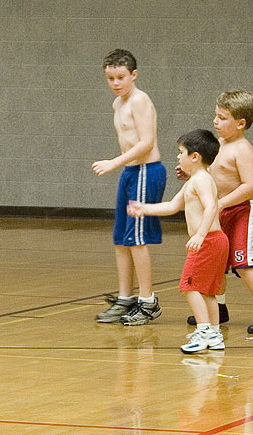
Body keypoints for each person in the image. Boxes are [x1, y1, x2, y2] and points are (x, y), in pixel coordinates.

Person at [180, 91, 253, 334]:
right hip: (221, 208)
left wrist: (223, 203)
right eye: (215, 116)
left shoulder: (243, 149)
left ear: (240, 123)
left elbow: (250, 186)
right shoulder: (220, 145)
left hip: (243, 210)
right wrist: (188, 173)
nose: (215, 122)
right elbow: (210, 174)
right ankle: (220, 306)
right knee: (218, 261)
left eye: (222, 118)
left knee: (243, 261)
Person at [128, 129, 229, 353]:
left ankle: (203, 331)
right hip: (216, 241)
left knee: (188, 287)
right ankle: (214, 333)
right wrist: (144, 208)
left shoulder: (201, 180)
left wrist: (200, 234)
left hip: (208, 241)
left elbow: (212, 206)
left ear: (195, 157)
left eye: (181, 152)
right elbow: (173, 206)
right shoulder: (197, 179)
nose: (177, 156)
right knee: (207, 291)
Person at [93, 49, 167, 325]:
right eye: (110, 78)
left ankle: (148, 301)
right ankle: (126, 297)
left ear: (133, 75)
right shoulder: (118, 104)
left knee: (136, 239)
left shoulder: (140, 100)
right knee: (121, 239)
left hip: (147, 170)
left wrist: (113, 163)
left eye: (121, 77)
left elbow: (146, 142)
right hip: (131, 171)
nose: (115, 83)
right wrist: (121, 167)